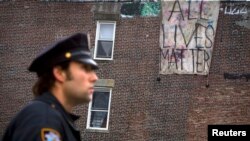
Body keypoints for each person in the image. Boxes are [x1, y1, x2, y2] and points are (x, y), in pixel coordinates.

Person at [2, 33, 98, 141]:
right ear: (60, 73)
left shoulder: (54, 118)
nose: (94, 77)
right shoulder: (43, 119)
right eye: (85, 68)